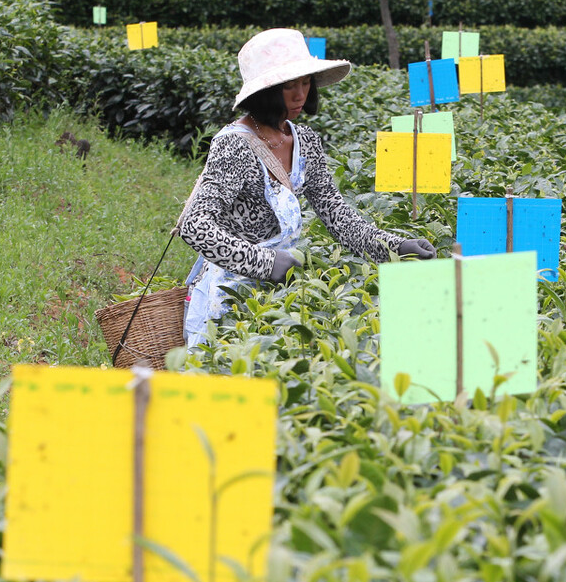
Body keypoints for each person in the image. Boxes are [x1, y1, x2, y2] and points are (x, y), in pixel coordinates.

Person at [179, 28, 435, 346]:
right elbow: (194, 225)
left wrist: (394, 247)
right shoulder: (235, 145)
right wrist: (264, 261)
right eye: (288, 86)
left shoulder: (305, 141)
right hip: (229, 299)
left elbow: (336, 214)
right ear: (267, 91)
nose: (300, 95)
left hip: (281, 296)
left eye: (305, 82)